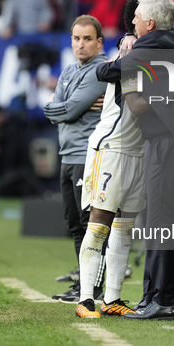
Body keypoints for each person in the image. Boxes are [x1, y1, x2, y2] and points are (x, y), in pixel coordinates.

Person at [97, 0, 174, 321]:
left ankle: (159, 299)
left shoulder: (149, 47)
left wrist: (126, 46)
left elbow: (107, 71)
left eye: (136, 20)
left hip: (166, 142)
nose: (131, 23)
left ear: (148, 22)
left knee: (160, 221)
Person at [75, 0, 145, 319]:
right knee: (100, 220)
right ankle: (86, 298)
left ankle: (113, 297)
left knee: (124, 226)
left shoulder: (152, 50)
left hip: (137, 151)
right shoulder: (129, 48)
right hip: (111, 147)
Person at [43, 15, 108, 303]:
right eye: (76, 38)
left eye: (87, 39)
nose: (81, 45)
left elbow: (67, 111)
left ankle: (93, 288)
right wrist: (62, 107)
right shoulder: (69, 71)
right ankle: (83, 284)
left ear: (99, 42)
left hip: (89, 156)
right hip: (68, 155)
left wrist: (65, 107)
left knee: (88, 223)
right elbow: (61, 110)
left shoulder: (101, 70)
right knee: (74, 224)